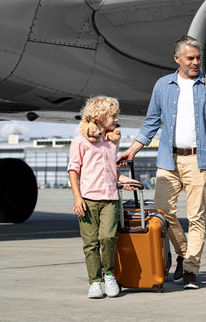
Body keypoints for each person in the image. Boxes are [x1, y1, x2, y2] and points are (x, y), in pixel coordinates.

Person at [117, 36, 206, 289]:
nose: (196, 62)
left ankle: (190, 270)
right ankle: (185, 254)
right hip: (169, 158)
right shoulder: (163, 85)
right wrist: (133, 149)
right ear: (177, 59)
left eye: (198, 58)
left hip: (200, 159)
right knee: (163, 213)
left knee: (197, 217)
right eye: (190, 58)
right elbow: (152, 121)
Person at [68, 96, 139, 299]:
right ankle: (95, 282)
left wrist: (124, 180)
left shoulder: (112, 143)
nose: (116, 119)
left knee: (107, 238)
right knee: (90, 243)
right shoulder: (79, 142)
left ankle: (109, 274)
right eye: (113, 115)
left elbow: (111, 170)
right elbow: (73, 170)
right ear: (99, 116)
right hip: (88, 199)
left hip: (110, 198)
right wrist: (77, 197)